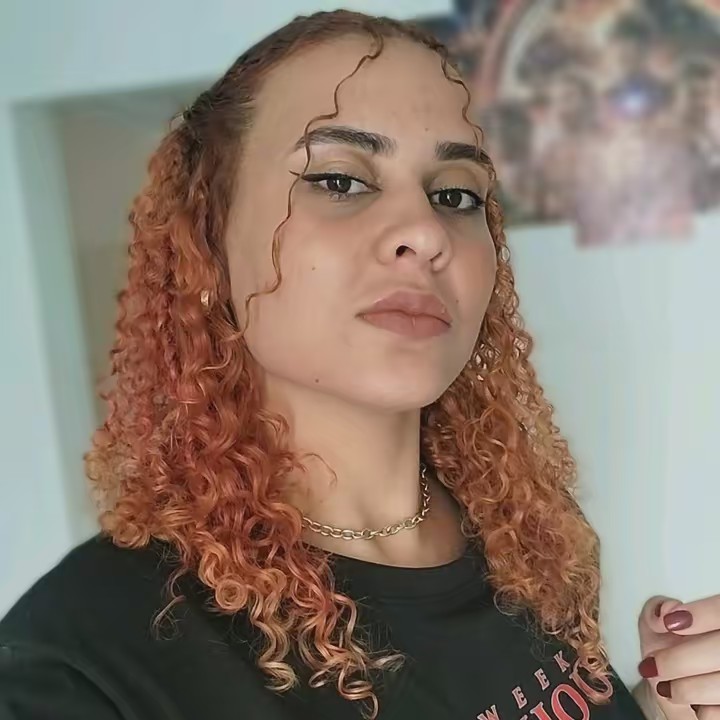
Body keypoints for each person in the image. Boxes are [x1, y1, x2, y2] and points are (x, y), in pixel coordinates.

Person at [0, 9, 718, 720]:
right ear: (209, 244)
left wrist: (662, 711)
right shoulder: (80, 667)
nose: (425, 231)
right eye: (341, 180)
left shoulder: (523, 536)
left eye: (455, 194)